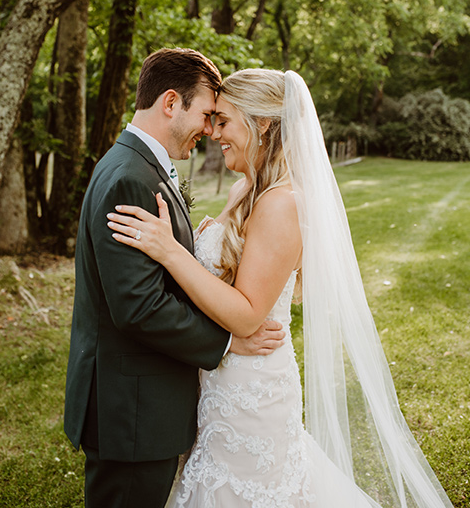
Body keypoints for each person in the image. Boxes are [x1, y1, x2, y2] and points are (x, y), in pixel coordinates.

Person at [107, 68, 454, 508]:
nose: (215, 133)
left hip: (252, 390)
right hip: (217, 379)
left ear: (264, 124)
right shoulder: (244, 189)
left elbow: (249, 314)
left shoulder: (282, 202)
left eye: (225, 121)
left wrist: (171, 252)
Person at [64, 49, 285, 508]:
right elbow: (139, 307)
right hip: (132, 410)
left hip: (149, 406)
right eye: (207, 115)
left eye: (220, 120)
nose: (210, 130)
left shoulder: (140, 167)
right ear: (170, 103)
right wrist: (227, 342)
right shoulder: (131, 178)